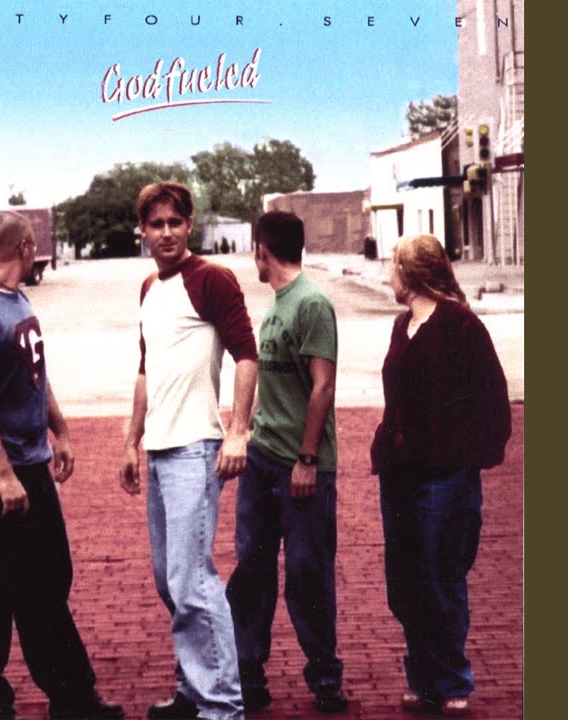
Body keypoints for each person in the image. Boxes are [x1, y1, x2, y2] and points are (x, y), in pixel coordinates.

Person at [0, 211, 123, 720]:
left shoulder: (15, 299)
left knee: (46, 579)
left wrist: (58, 430)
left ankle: (67, 697)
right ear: (23, 246)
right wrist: (3, 475)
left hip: (27, 463)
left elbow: (33, 375)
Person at [119, 181, 257, 720]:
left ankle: (222, 706)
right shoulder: (149, 287)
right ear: (143, 231)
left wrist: (238, 431)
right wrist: (131, 441)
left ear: (190, 224)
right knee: (169, 580)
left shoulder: (212, 279)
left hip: (195, 449)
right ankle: (194, 691)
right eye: (156, 224)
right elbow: (145, 369)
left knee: (192, 580)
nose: (167, 233)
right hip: (158, 449)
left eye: (175, 222)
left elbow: (247, 356)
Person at [369, 234, 512, 717]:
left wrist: (468, 457)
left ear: (411, 274)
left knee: (440, 576)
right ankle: (423, 679)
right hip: (400, 475)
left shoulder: (461, 326)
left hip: (444, 478)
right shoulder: (402, 325)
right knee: (405, 579)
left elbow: (492, 400)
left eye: (392, 266)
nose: (387, 275)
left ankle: (452, 681)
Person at [225, 211, 348, 715]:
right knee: (251, 572)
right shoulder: (277, 303)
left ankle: (325, 678)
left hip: (302, 467)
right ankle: (249, 674)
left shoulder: (311, 303)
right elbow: (272, 384)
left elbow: (323, 386)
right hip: (261, 462)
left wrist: (307, 459)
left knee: (307, 573)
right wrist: (242, 431)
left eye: (253, 250)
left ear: (262, 250)